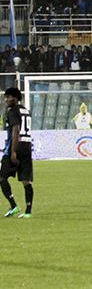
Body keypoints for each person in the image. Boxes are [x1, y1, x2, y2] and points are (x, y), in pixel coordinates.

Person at [1, 88, 34, 218]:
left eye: (8, 97)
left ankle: (14, 206)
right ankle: (28, 211)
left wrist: (13, 152)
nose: (6, 100)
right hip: (27, 146)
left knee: (2, 177)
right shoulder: (26, 111)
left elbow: (16, 130)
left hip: (14, 148)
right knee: (26, 180)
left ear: (15, 98)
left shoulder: (12, 111)